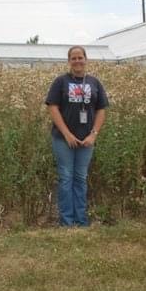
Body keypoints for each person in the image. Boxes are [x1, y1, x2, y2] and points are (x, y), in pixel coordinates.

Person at [45, 45, 109, 226]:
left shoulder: (94, 82)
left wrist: (93, 135)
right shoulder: (61, 82)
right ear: (69, 61)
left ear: (86, 59)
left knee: (80, 178)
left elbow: (101, 110)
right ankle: (66, 222)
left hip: (87, 141)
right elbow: (53, 107)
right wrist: (67, 134)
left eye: (80, 57)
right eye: (73, 58)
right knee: (66, 178)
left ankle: (81, 221)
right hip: (63, 140)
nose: (77, 61)